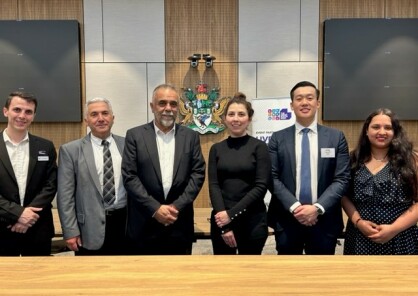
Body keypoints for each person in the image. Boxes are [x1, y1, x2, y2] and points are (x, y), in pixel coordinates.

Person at [267, 81, 350, 255]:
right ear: (291, 105)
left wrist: (317, 208)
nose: (304, 102)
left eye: (310, 98)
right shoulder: (277, 138)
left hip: (325, 220)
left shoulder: (336, 137)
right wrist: (296, 207)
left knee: (321, 276)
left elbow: (342, 178)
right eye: (299, 98)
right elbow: (272, 177)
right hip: (287, 219)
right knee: (288, 274)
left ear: (318, 103)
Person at [122, 83, 205, 255]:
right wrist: (155, 209)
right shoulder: (135, 135)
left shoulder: (190, 136)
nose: (168, 108)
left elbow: (197, 174)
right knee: (144, 279)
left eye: (173, 104)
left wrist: (175, 207)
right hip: (144, 224)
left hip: (179, 222)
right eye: (162, 103)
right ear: (152, 106)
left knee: (179, 278)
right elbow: (130, 176)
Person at [57, 97, 129, 255]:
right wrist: (70, 231)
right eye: (94, 114)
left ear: (113, 118)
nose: (101, 118)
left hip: (125, 224)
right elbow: (65, 196)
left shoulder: (128, 145)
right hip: (87, 228)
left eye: (105, 113)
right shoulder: (71, 151)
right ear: (86, 121)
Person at [342, 108, 418, 255]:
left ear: (395, 132)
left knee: (400, 278)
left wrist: (393, 229)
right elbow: (344, 196)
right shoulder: (352, 159)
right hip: (359, 237)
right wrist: (358, 222)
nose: (382, 132)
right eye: (376, 127)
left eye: (388, 128)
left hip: (401, 237)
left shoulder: (411, 159)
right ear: (366, 130)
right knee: (360, 277)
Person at [208, 92, 271, 255]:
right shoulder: (216, 149)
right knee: (222, 274)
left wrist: (231, 214)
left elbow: (261, 186)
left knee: (249, 275)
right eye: (231, 114)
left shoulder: (260, 147)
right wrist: (225, 223)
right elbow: (214, 186)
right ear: (224, 119)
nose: (236, 118)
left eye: (241, 114)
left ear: (249, 119)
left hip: (253, 222)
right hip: (222, 221)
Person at [0, 91, 57, 256]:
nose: (22, 115)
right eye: (17, 109)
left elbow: (50, 185)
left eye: (28, 111)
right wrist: (18, 214)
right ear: (6, 111)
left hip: (37, 229)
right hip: (2, 229)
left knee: (39, 279)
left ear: (33, 115)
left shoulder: (45, 147)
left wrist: (27, 217)